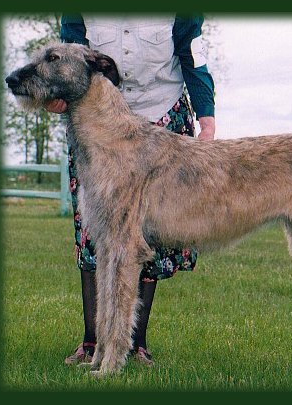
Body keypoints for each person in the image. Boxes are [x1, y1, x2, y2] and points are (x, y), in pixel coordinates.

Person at [45, 14, 215, 366]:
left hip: (162, 116)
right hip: (100, 123)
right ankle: (93, 341)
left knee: (151, 235)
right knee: (95, 232)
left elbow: (192, 57)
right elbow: (67, 59)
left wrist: (207, 118)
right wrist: (55, 95)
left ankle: (135, 343)